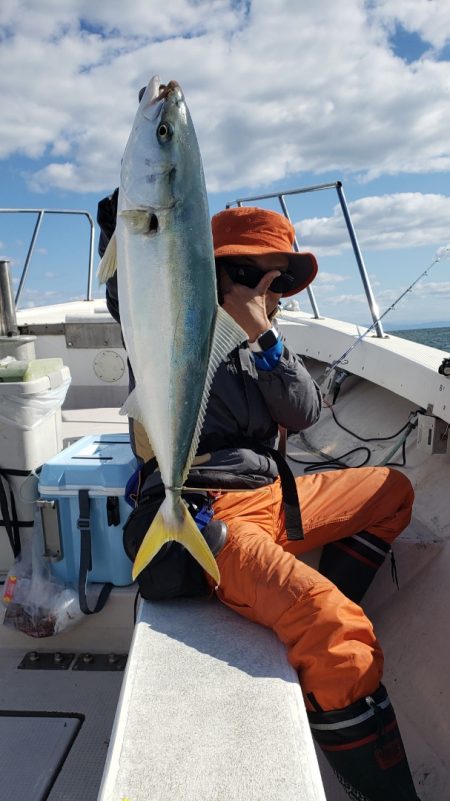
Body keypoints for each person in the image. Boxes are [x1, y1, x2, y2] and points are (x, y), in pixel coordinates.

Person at [97, 199, 420, 799]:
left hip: (279, 497)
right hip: (213, 510)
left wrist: (261, 330)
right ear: (208, 268)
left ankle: (301, 597)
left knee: (394, 491)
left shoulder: (266, 339)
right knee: (338, 637)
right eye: (245, 269)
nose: (262, 286)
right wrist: (123, 225)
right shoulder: (167, 320)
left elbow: (302, 411)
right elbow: (131, 286)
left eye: (276, 276)